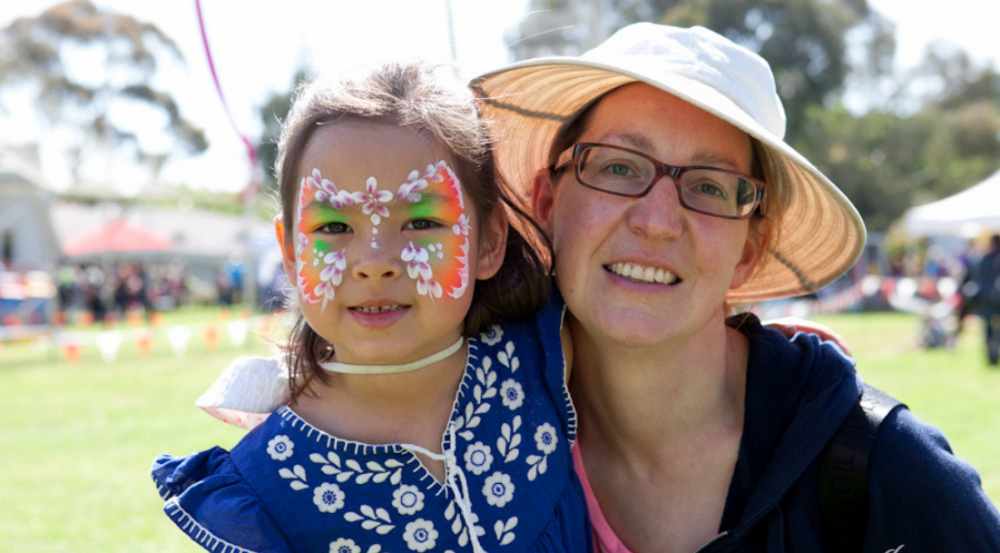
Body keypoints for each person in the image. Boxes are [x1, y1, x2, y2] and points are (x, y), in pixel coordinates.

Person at [473, 23, 1000, 552]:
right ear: (546, 206)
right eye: (617, 167)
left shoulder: (885, 468)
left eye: (708, 186)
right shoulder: (473, 438)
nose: (657, 220)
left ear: (749, 249)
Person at [151, 60, 591, 553]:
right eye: (334, 228)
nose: (375, 264)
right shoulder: (263, 493)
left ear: (487, 242)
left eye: (421, 222)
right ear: (292, 254)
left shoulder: (546, 355)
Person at [968, 234, 1000, 365]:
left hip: (991, 299)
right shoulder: (985, 258)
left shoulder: (987, 258)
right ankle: (991, 354)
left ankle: (992, 353)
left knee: (991, 328)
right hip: (989, 300)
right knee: (990, 328)